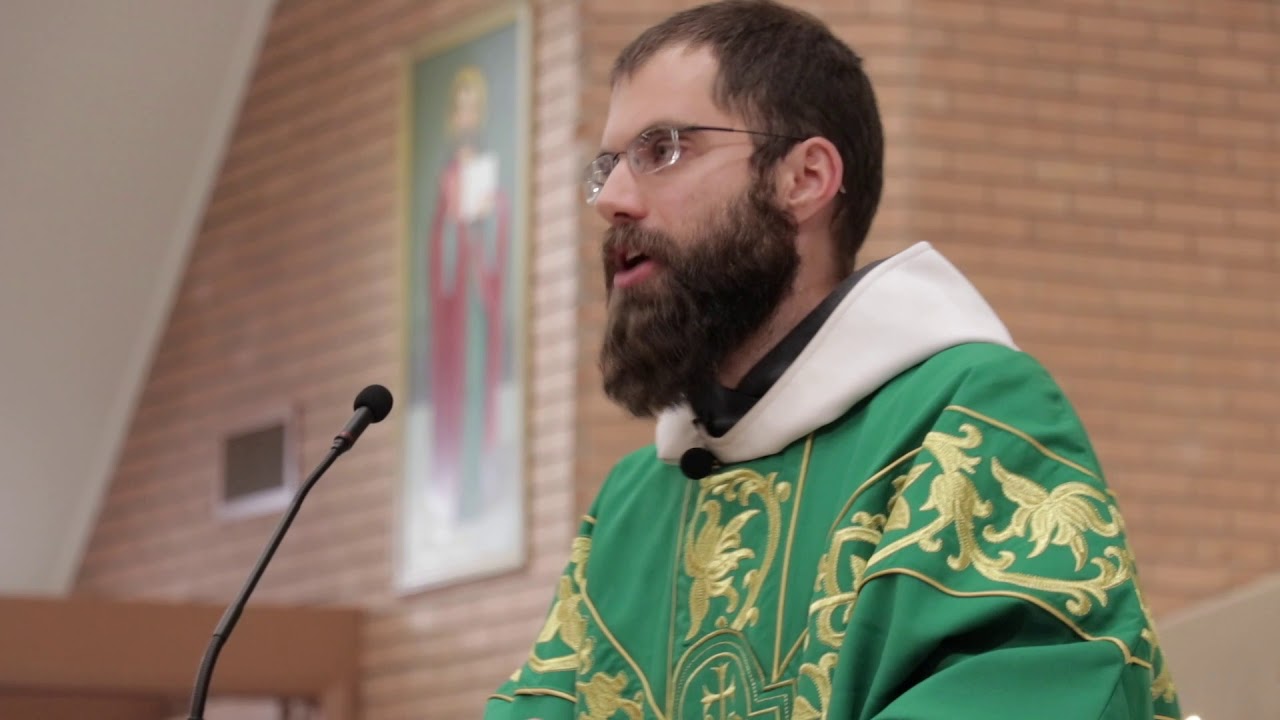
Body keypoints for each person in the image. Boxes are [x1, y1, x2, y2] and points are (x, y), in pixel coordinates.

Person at [486, 1, 1181, 718]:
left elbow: (1028, 686)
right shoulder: (632, 504)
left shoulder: (967, 417)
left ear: (805, 178)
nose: (615, 201)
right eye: (607, 167)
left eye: (663, 150)